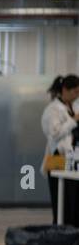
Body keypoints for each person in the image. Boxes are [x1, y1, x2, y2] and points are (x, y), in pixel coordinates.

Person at [41, 74, 79, 225]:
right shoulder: (52, 110)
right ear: (65, 90)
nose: (77, 95)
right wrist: (73, 120)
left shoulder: (73, 107)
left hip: (72, 157)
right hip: (56, 157)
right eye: (75, 92)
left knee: (74, 202)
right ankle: (61, 237)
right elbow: (54, 133)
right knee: (61, 203)